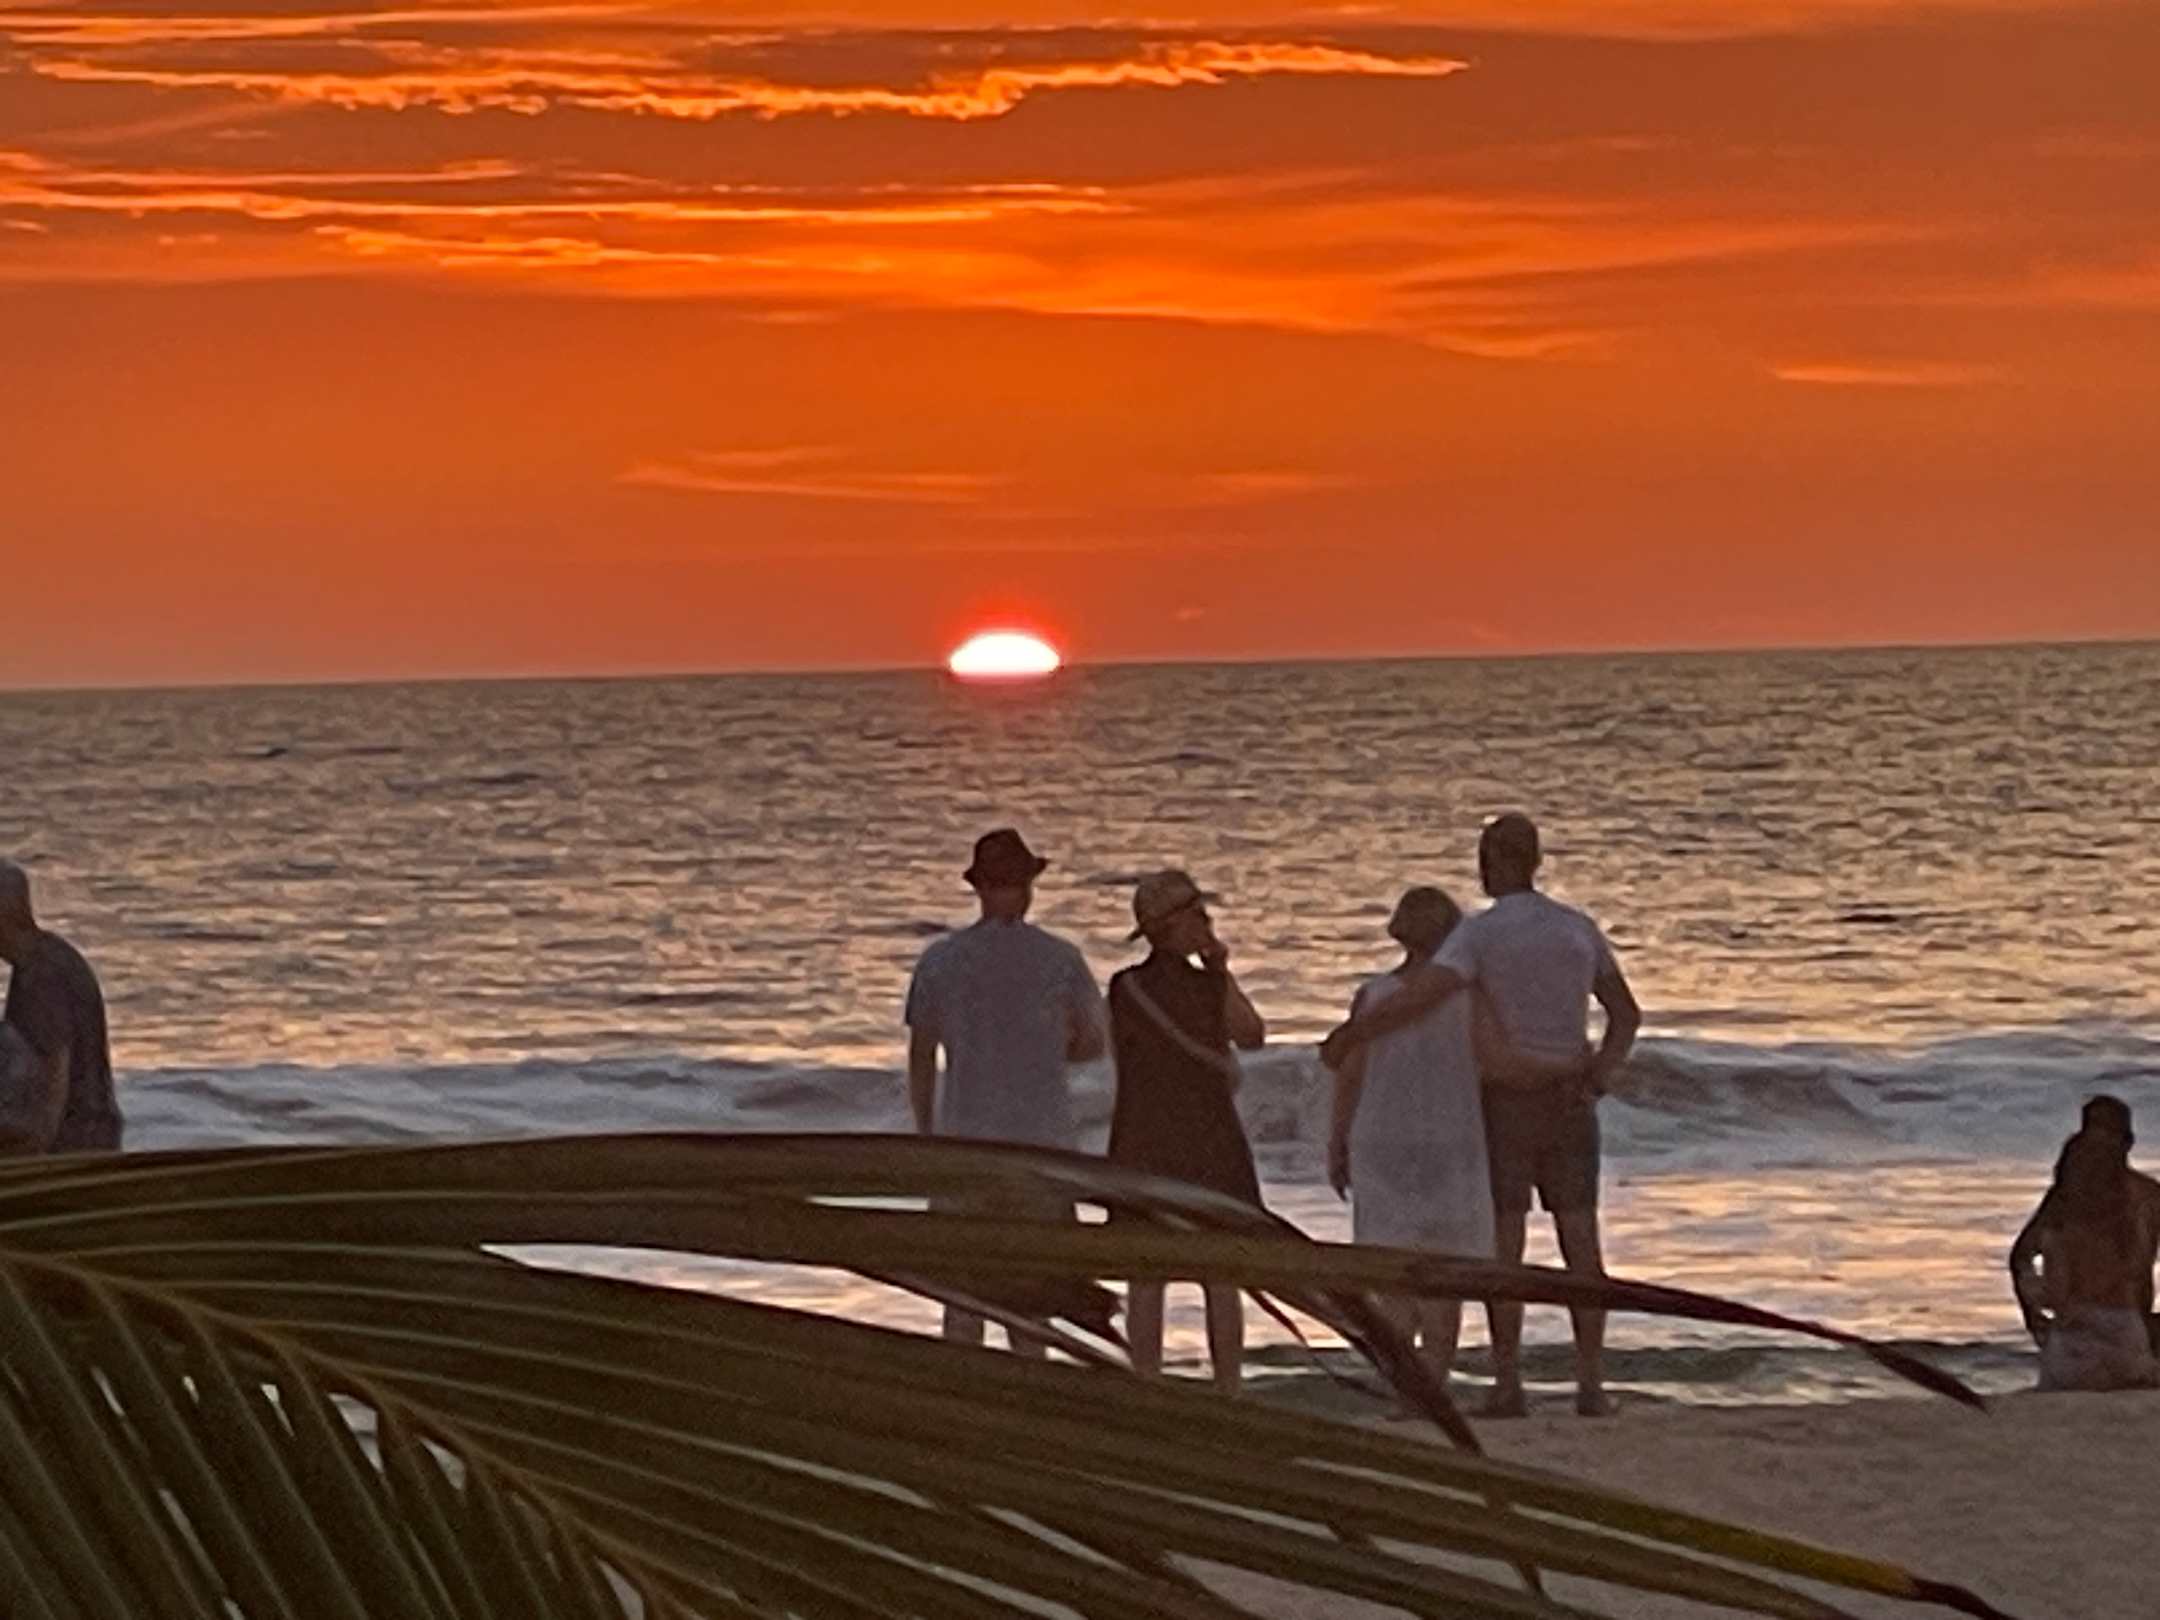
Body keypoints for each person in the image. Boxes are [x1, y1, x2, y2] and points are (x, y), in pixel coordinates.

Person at [1320, 814, 1639, 1417]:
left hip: (1505, 1103)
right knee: (1581, 1244)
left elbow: (1422, 994)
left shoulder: (1478, 934)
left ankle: (1508, 1382)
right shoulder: (1577, 928)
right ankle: (1591, 1384)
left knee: (1504, 1252)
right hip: (1570, 1097)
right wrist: (1599, 1073)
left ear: (1490, 862)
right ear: (1536, 860)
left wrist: (1353, 1033)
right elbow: (1625, 1013)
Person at [904, 829, 1107, 1354]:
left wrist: (927, 1136)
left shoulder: (940, 960)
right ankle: (1029, 1388)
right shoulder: (1060, 959)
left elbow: (922, 1057)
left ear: (979, 889)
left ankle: (966, 1390)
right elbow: (1093, 1042)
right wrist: (1049, 1049)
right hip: (1041, 1150)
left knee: (962, 1296)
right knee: (1033, 1296)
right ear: (1027, 888)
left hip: (964, 1146)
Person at [1328, 886, 1497, 1389]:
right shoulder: (1469, 996)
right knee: (1444, 1277)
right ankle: (1435, 1382)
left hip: (1381, 1138)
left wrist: (1337, 1140)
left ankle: (1405, 1388)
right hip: (1452, 1140)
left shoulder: (1374, 995)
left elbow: (1350, 1074)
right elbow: (1493, 1065)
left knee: (1391, 1275)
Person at [1106, 870, 1266, 1392]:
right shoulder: (1196, 988)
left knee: (1148, 1273)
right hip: (1208, 1139)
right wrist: (1221, 971)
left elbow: (1250, 1037)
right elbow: (1250, 1034)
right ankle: (1228, 1389)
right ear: (1173, 926)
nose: (1207, 923)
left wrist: (1219, 969)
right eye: (1198, 915)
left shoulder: (1127, 988)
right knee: (1218, 1274)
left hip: (1144, 1140)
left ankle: (1147, 1386)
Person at [2009, 1097, 2160, 1390]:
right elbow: (2139, 1272)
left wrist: (2033, 1312)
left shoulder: (2064, 1199)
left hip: (2072, 1338)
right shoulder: (2148, 1196)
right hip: (2127, 1329)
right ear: (2128, 1141)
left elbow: (2020, 1257)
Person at [0, 861, 122, 1153]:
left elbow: (52, 1086)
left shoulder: (43, 978)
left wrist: (31, 1159)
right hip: (92, 1137)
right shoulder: (47, 959)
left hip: (74, 1146)